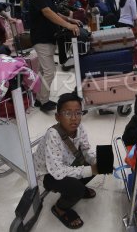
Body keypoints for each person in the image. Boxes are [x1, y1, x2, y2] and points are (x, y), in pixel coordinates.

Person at [33, 93, 98, 229]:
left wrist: (96, 161)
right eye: (68, 114)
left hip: (66, 164)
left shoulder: (79, 128)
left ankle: (75, 189)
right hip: (48, 173)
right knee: (78, 188)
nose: (74, 118)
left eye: (78, 113)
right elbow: (56, 171)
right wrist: (89, 169)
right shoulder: (53, 135)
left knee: (97, 164)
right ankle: (60, 208)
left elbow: (86, 150)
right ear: (57, 117)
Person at [29, 0, 81, 112]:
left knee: (43, 71)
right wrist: (68, 25)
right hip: (41, 37)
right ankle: (43, 101)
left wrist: (70, 20)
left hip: (49, 36)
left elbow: (55, 12)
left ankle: (38, 97)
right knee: (50, 71)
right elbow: (47, 12)